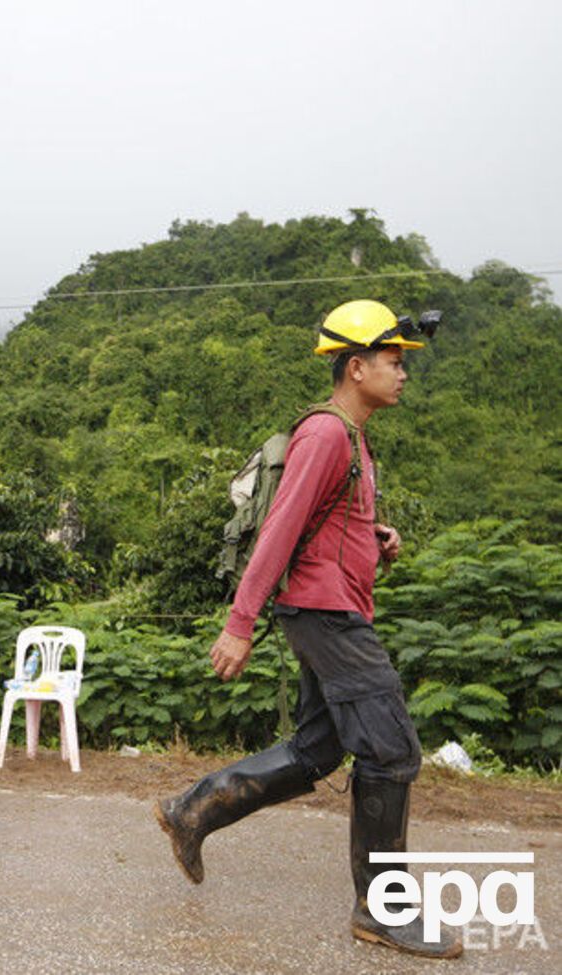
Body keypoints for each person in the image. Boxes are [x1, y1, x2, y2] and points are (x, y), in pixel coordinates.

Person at [153, 300, 461, 959]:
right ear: (356, 366)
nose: (402, 373)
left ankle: (193, 810)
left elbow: (329, 528)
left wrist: (377, 540)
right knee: (390, 748)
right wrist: (239, 624)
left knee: (321, 748)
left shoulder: (353, 438)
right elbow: (281, 530)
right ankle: (382, 910)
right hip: (325, 615)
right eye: (392, 360)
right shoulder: (325, 434)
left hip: (332, 604)